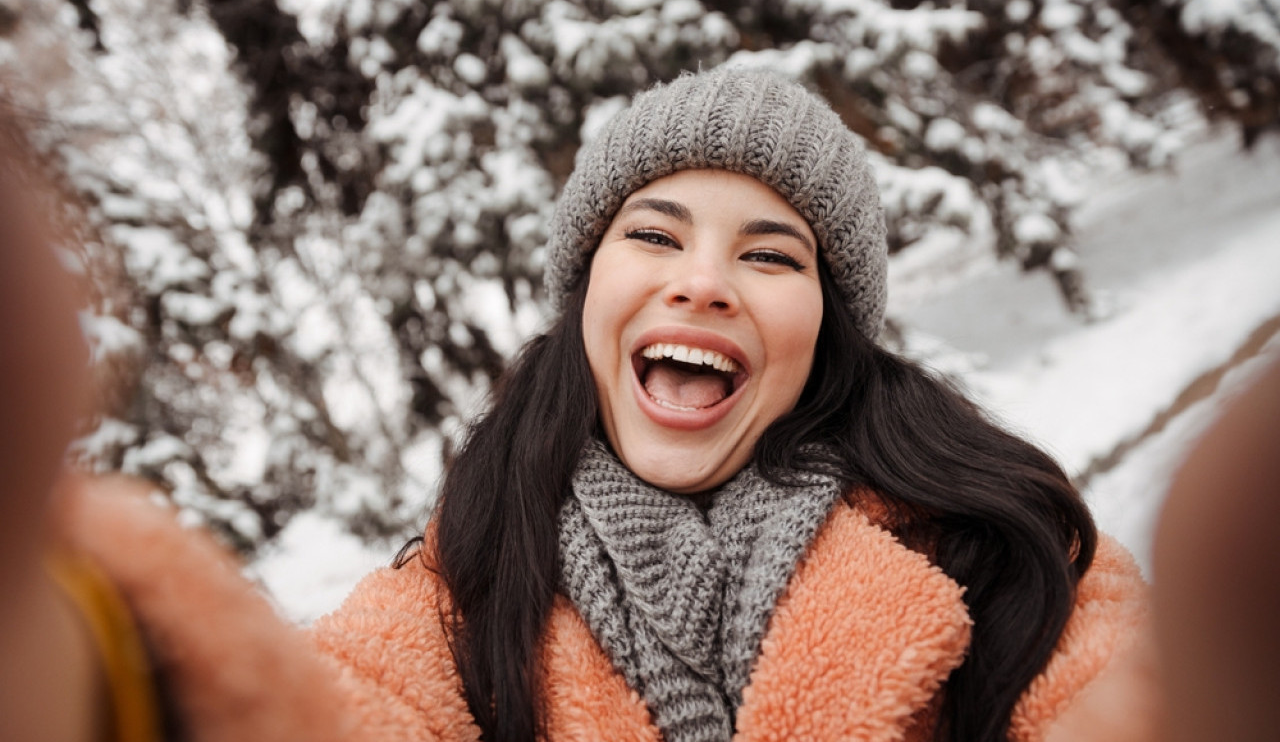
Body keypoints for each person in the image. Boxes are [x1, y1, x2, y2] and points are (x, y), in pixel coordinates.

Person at [4, 70, 1164, 742]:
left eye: (768, 256)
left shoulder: (992, 543)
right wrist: (86, 636)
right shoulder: (460, 597)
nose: (700, 279)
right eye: (651, 235)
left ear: (826, 333)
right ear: (584, 296)